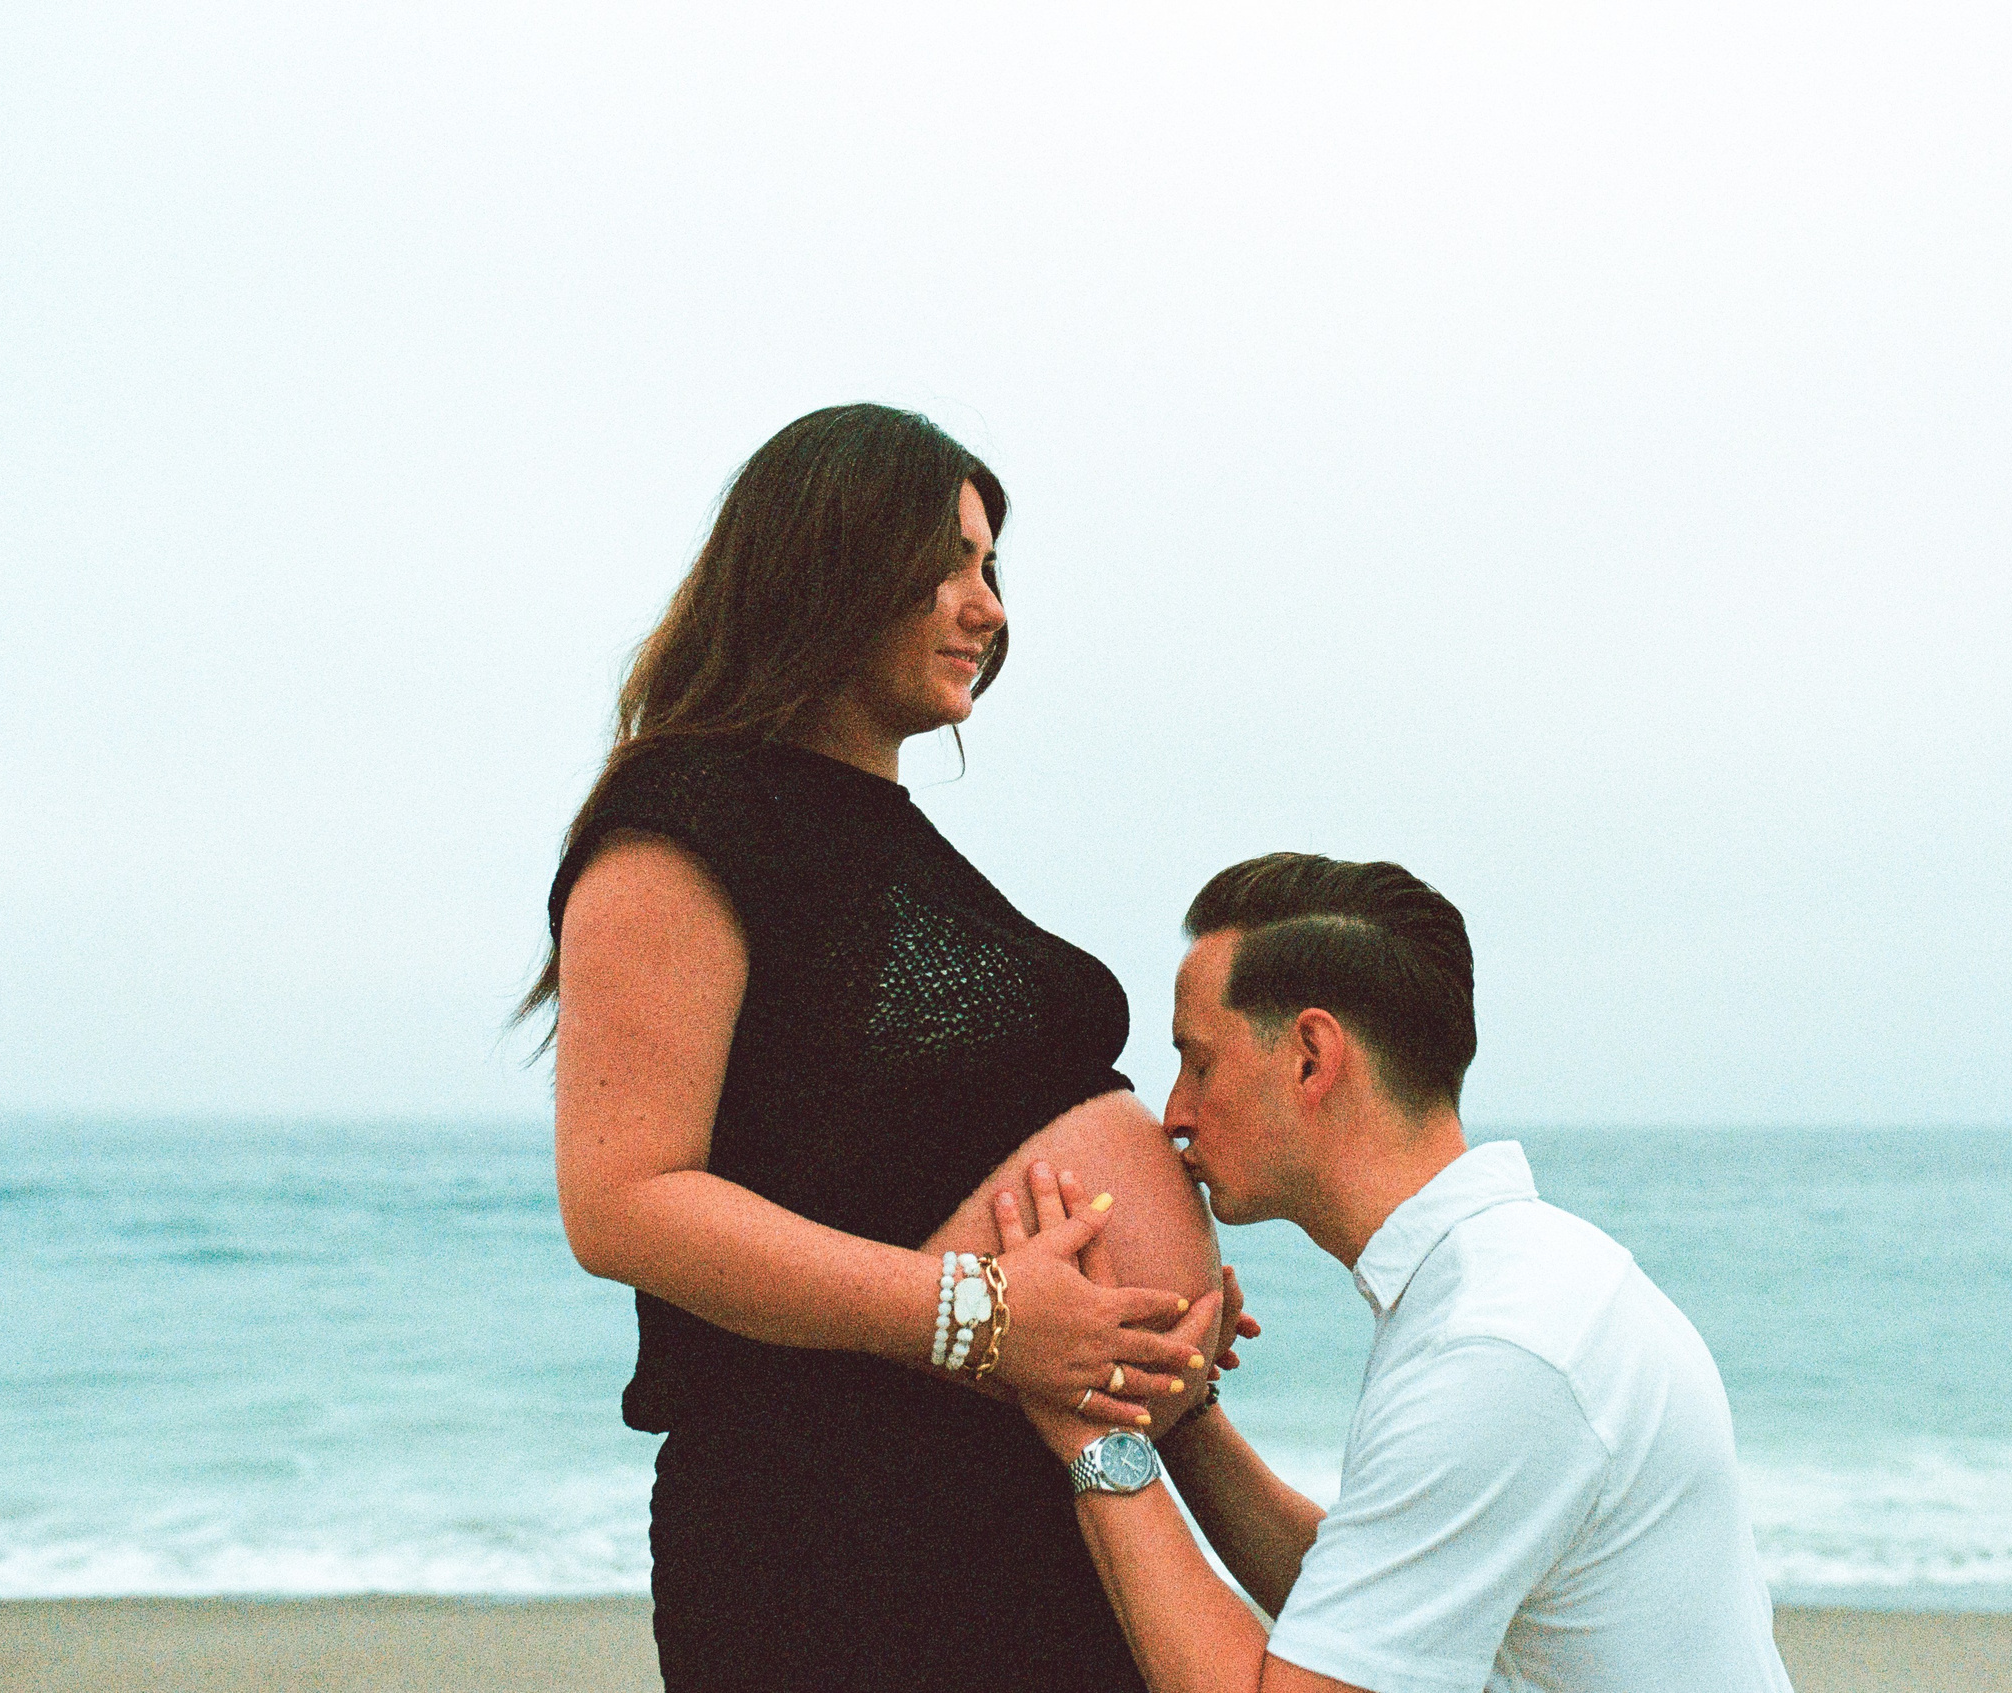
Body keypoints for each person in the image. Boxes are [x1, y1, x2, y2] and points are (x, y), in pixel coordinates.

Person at [526, 404, 1239, 1692]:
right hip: (838, 1532)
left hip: (1025, 1492)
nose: (987, 608)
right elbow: (622, 1202)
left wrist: (1138, 1320)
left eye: (992, 571)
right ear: (830, 563)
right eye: (950, 565)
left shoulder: (893, 836)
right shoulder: (685, 820)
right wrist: (984, 1318)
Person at [1001, 853, 1796, 1693]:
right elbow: (1371, 1612)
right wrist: (1184, 1414)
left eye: (1201, 1062)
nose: (1174, 1113)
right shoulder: (1515, 1283)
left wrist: (1092, 1433)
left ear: (1311, 1056)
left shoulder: (1499, 1349)